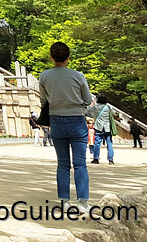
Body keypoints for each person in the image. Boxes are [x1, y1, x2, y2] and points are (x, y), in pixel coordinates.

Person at [38, 41, 94, 212]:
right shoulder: (78, 76)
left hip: (56, 119)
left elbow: (43, 100)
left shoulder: (44, 76)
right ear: (68, 57)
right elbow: (87, 99)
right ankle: (82, 202)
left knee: (62, 164)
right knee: (80, 163)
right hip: (76, 119)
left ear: (51, 57)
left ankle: (64, 201)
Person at [87, 94, 115, 164]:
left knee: (97, 143)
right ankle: (110, 159)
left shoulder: (95, 107)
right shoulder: (108, 107)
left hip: (98, 127)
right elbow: (114, 113)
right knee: (109, 143)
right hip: (107, 127)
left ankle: (96, 158)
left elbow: (87, 111)